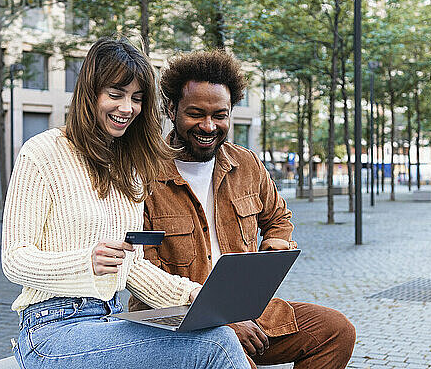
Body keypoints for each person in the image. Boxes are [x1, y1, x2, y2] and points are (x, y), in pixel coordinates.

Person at [1, 37, 250, 369]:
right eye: (115, 95)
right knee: (216, 344)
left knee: (212, 332)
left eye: (136, 99)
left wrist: (190, 294)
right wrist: (85, 262)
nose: (126, 108)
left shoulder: (129, 167)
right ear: (90, 93)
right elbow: (14, 260)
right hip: (50, 330)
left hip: (110, 321)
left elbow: (132, 267)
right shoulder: (42, 153)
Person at [129, 50, 356, 369]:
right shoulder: (143, 176)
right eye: (196, 113)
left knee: (335, 332)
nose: (208, 126)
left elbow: (279, 219)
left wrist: (273, 253)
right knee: (235, 359)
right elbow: (144, 275)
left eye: (220, 115)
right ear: (171, 108)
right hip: (174, 323)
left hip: (247, 313)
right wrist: (219, 320)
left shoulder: (247, 165)